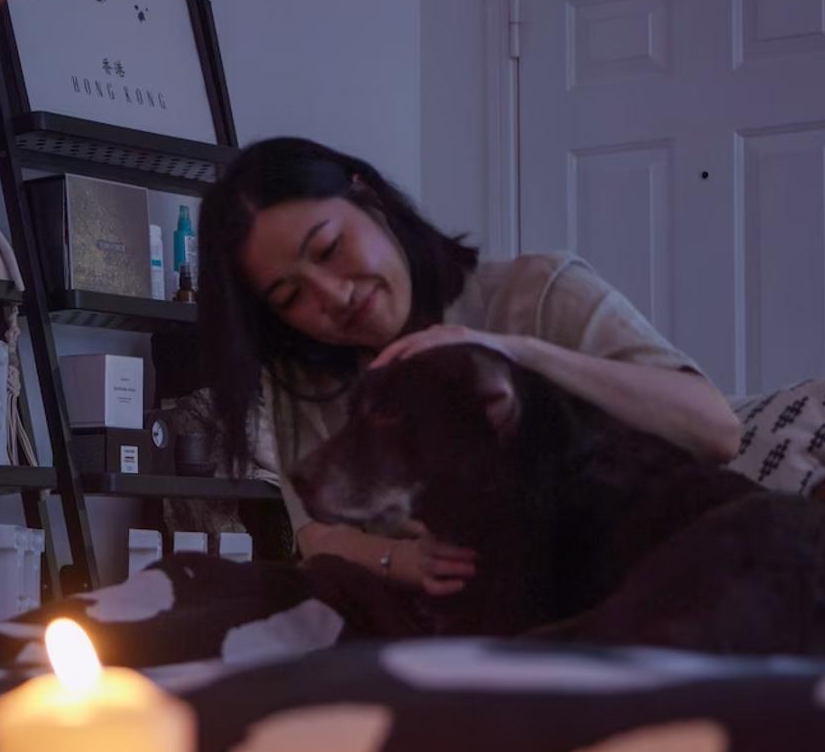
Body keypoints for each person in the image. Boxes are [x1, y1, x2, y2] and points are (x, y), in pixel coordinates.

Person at [197, 137, 741, 595]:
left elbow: (717, 431)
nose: (334, 296)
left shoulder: (537, 293)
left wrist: (518, 353)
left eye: (329, 249)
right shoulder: (307, 378)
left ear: (368, 198)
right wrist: (402, 561)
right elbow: (316, 536)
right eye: (291, 297)